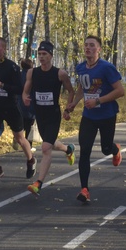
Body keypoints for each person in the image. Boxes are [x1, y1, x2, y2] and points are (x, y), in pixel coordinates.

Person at [67, 35, 125, 203]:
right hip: (89, 116)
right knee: (85, 151)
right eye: (86, 45)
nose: (88, 48)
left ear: (99, 49)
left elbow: (120, 91)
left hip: (107, 114)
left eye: (92, 45)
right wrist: (73, 103)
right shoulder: (80, 68)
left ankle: (115, 149)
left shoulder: (107, 68)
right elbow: (82, 87)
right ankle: (84, 189)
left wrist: (98, 100)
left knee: (105, 149)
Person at [23, 41, 76, 196]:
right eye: (39, 54)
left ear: (51, 56)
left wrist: (67, 109)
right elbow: (25, 91)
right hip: (40, 115)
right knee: (50, 143)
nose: (41, 57)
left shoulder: (60, 73)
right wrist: (25, 98)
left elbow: (71, 92)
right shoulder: (32, 73)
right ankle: (68, 149)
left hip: (53, 115)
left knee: (45, 148)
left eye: (44, 54)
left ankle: (38, 183)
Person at [0, 37, 36, 182]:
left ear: (4, 49)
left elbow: (19, 89)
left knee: (20, 139)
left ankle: (31, 160)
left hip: (11, 107)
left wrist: (2, 85)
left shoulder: (12, 67)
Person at [17, 58, 36, 151]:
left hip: (19, 102)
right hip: (30, 102)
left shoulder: (19, 76)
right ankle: (29, 145)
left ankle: (18, 138)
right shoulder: (32, 76)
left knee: (21, 123)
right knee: (29, 126)